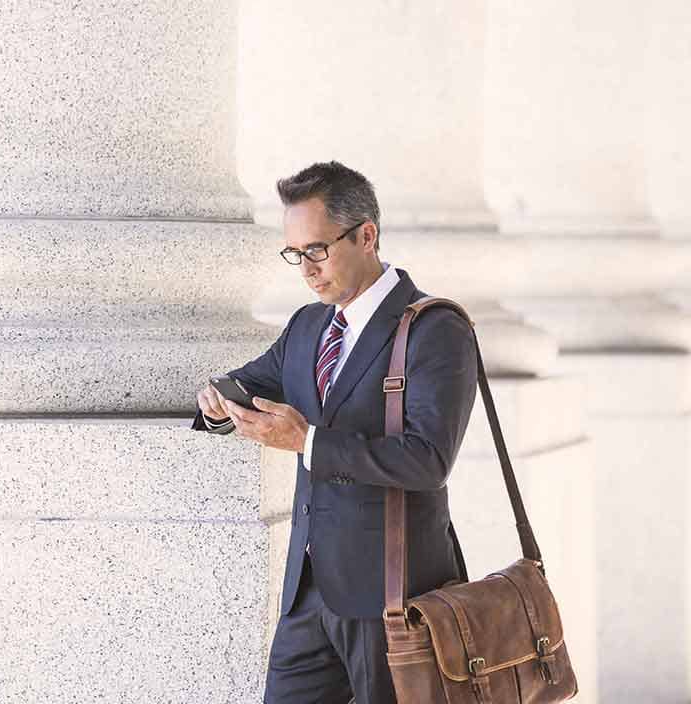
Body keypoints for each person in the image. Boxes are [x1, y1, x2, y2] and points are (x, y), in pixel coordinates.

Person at [194, 161, 478, 704]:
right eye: (295, 253)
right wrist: (215, 403)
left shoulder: (435, 328)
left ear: (366, 235)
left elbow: (428, 460)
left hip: (392, 596)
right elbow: (246, 383)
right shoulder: (308, 326)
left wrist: (308, 443)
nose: (305, 268)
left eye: (317, 250)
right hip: (306, 592)